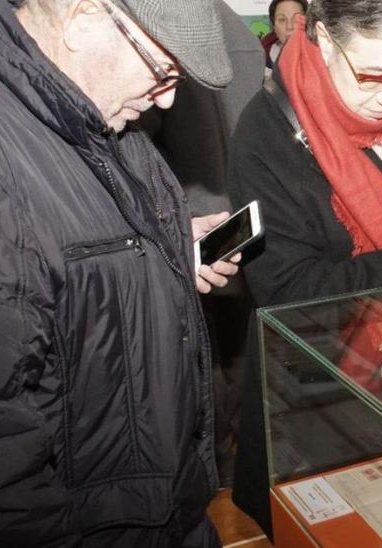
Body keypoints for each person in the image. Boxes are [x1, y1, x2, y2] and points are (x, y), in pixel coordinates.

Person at [0, 0, 243, 544]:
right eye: (162, 72)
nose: (170, 97)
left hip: (136, 510)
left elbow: (59, 246)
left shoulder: (64, 91)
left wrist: (170, 247)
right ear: (82, 19)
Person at [226, 0, 382, 535]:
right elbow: (285, 289)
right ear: (321, 36)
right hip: (317, 385)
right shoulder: (266, 131)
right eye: (373, 75)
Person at [143, 0, 265, 488]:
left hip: (186, 218)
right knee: (236, 344)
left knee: (202, 351)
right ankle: (231, 452)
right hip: (237, 214)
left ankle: (211, 459)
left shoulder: (169, 24)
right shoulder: (236, 30)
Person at [260, 0, 308, 69]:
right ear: (274, 26)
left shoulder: (324, 56)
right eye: (282, 20)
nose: (289, 27)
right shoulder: (262, 57)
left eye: (296, 19)